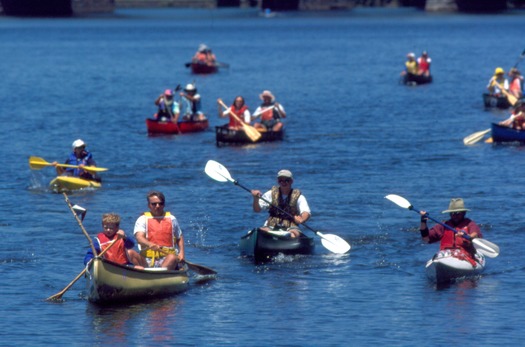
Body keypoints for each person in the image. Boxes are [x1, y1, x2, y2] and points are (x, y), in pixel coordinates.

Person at [419, 198, 483, 263]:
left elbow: (475, 234)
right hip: (446, 254)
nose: (455, 215)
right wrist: (423, 221)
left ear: (464, 213)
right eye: (452, 213)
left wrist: (467, 236)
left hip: (465, 254)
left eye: (458, 213)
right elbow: (426, 238)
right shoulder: (444, 225)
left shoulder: (470, 223)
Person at [250, 169, 310, 238]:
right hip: (271, 224)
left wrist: (302, 219)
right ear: (278, 181)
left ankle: (288, 238)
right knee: (262, 231)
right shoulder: (270, 193)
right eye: (280, 180)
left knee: (294, 234)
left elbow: (306, 212)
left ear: (291, 181)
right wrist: (255, 199)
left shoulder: (299, 197)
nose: (283, 183)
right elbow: (257, 210)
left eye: (286, 180)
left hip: (291, 225)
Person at [133, 191, 185, 270]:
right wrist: (150, 244)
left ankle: (160, 274)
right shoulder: (142, 219)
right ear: (149, 205)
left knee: (172, 257)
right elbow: (139, 237)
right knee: (130, 253)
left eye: (160, 203)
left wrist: (182, 253)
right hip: (147, 258)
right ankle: (142, 272)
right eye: (154, 204)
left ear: (164, 205)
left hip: (167, 258)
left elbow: (179, 237)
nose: (157, 206)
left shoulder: (172, 219)